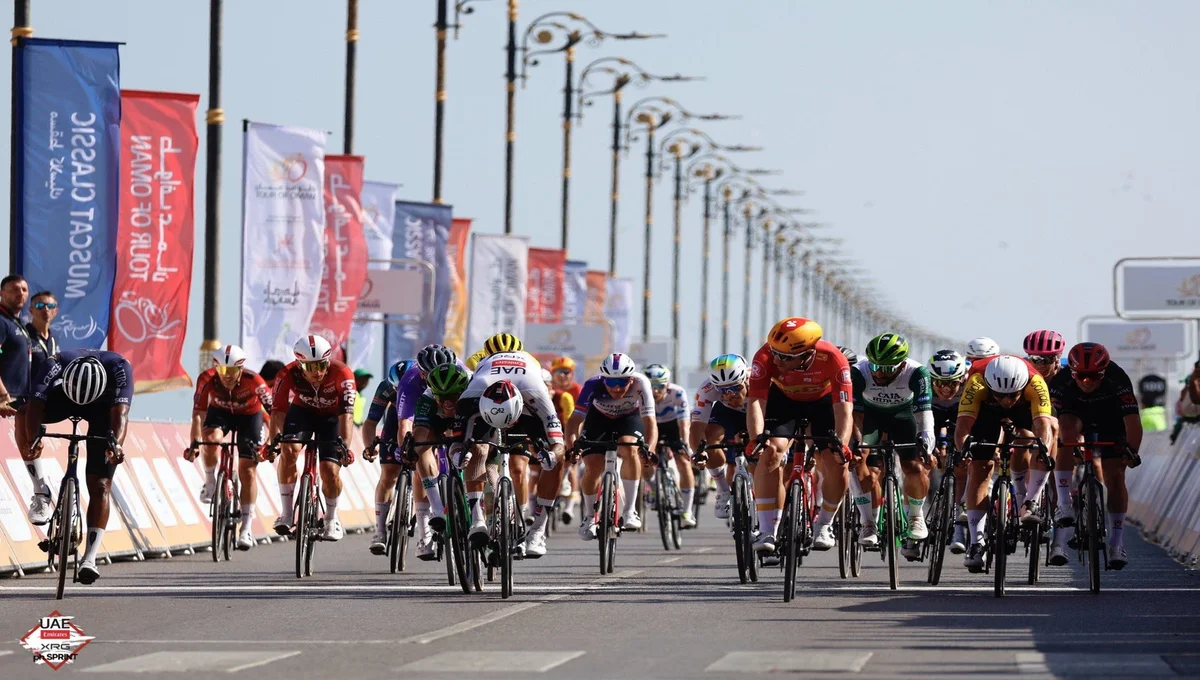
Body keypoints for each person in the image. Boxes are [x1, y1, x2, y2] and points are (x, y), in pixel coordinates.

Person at [21, 350, 133, 584]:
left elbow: (120, 415)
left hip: (103, 407)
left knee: (101, 484)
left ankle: (90, 558)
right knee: (22, 413)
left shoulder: (121, 369)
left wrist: (116, 447)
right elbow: (34, 405)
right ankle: (40, 489)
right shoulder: (54, 363)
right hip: (65, 397)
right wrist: (34, 440)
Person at [447, 335, 564, 558]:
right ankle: (477, 519)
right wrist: (458, 454)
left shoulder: (536, 390)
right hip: (486, 408)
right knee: (477, 449)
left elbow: (558, 443)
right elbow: (457, 441)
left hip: (526, 412)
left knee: (559, 459)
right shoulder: (473, 391)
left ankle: (537, 531)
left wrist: (551, 455)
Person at [747, 317, 855, 555]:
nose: (776, 359)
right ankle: (767, 530)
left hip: (823, 404)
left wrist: (842, 444)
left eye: (784, 357)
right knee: (770, 451)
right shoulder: (765, 356)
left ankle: (825, 523)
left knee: (835, 461)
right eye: (775, 352)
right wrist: (756, 439)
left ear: (807, 354)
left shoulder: (833, 358)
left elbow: (844, 408)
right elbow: (756, 400)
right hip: (784, 401)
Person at [954, 355, 1054, 572]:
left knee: (1035, 440)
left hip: (1024, 410)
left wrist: (1042, 449)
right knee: (980, 468)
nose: (1007, 400)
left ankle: (1029, 500)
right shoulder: (977, 382)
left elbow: (1043, 426)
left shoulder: (1035, 383)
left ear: (1021, 387)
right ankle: (976, 543)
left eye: (1012, 395)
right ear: (991, 387)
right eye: (1001, 395)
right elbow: (962, 428)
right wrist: (965, 450)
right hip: (987, 412)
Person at [1051, 342, 1142, 569]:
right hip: (1075, 416)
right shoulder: (1061, 381)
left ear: (1104, 371)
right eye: (1080, 376)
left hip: (1110, 420)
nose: (1086, 381)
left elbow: (1132, 422)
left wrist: (1132, 451)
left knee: (1115, 476)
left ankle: (1116, 543)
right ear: (1071, 372)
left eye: (1093, 376)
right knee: (1065, 434)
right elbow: (1050, 420)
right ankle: (1064, 502)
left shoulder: (1118, 378)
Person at [850, 333, 935, 560]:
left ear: (902, 364)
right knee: (861, 464)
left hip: (903, 417)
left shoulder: (917, 373)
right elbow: (854, 414)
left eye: (888, 369)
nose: (879, 373)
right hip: (869, 417)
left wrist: (927, 444)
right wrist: (860, 445)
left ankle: (916, 516)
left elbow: (924, 414)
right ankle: (868, 522)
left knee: (914, 468)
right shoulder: (859, 371)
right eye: (876, 366)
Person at [267, 335, 357, 542]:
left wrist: (345, 446)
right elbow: (278, 412)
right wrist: (275, 442)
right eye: (310, 367)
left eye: (321, 365)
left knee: (330, 471)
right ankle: (287, 513)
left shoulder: (343, 373)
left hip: (332, 418)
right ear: (299, 366)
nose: (317, 372)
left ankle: (331, 519)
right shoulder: (286, 374)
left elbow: (347, 414)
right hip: (303, 413)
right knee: (288, 451)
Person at [186, 344, 273, 550]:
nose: (227, 376)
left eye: (232, 371)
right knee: (210, 440)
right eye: (223, 370)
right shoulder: (206, 378)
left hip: (250, 418)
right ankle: (210, 483)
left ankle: (247, 529)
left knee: (247, 470)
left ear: (241, 369)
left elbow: (275, 414)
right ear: (216, 368)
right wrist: (194, 443)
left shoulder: (255, 381)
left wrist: (270, 444)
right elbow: (198, 414)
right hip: (220, 413)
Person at [567, 352, 656, 539]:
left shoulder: (642, 384)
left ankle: (630, 510)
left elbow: (650, 422)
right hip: (598, 420)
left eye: (622, 382)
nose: (616, 388)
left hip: (629, 419)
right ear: (603, 379)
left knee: (630, 448)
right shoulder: (592, 384)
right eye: (611, 382)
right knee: (593, 467)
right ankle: (590, 517)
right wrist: (572, 447)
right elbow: (574, 421)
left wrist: (650, 448)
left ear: (631, 380)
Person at [689, 353, 751, 520]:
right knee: (710, 437)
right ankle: (723, 490)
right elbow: (696, 427)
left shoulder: (759, 381)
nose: (730, 394)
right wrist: (699, 452)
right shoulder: (706, 389)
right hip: (727, 413)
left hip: (756, 408)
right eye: (723, 390)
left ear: (745, 378)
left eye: (736, 387)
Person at [361, 359, 412, 555]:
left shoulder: (424, 384)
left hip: (421, 416)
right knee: (388, 474)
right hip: (395, 418)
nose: (401, 394)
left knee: (423, 469)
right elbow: (371, 422)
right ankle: (380, 531)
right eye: (396, 390)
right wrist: (369, 447)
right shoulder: (385, 388)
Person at [645, 363, 697, 528]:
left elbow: (684, 423)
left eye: (659, 386)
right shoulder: (640, 395)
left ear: (667, 385)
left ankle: (687, 511)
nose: (655, 391)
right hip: (650, 425)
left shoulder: (677, 392)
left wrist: (685, 444)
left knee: (683, 461)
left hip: (673, 426)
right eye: (651, 386)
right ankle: (654, 488)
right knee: (643, 458)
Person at [928, 350, 970, 553]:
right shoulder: (924, 385)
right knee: (923, 459)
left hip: (960, 417)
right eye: (940, 384)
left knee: (962, 466)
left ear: (961, 380)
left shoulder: (970, 386)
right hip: (931, 417)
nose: (946, 389)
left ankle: (959, 521)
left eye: (952, 383)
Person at [0, 274, 30, 419]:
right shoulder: (1, 321)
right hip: (4, 402)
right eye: (14, 289)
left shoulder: (16, 322)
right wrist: (3, 395)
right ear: (2, 293)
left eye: (24, 289)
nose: (20, 293)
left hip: (17, 401)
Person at [26, 290, 60, 379]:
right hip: (25, 392)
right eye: (40, 306)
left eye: (51, 306)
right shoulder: (23, 336)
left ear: (56, 311)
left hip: (48, 391)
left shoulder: (53, 339)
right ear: (31, 310)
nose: (46, 309)